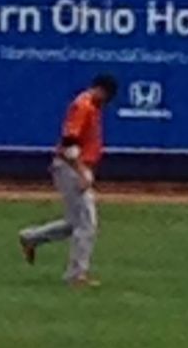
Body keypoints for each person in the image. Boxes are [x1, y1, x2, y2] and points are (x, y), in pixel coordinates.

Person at [21, 72, 117, 287]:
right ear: (102, 90)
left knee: (75, 223)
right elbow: (69, 144)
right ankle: (76, 276)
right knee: (87, 224)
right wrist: (82, 172)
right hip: (71, 167)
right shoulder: (84, 106)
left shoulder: (89, 105)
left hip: (73, 166)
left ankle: (31, 238)